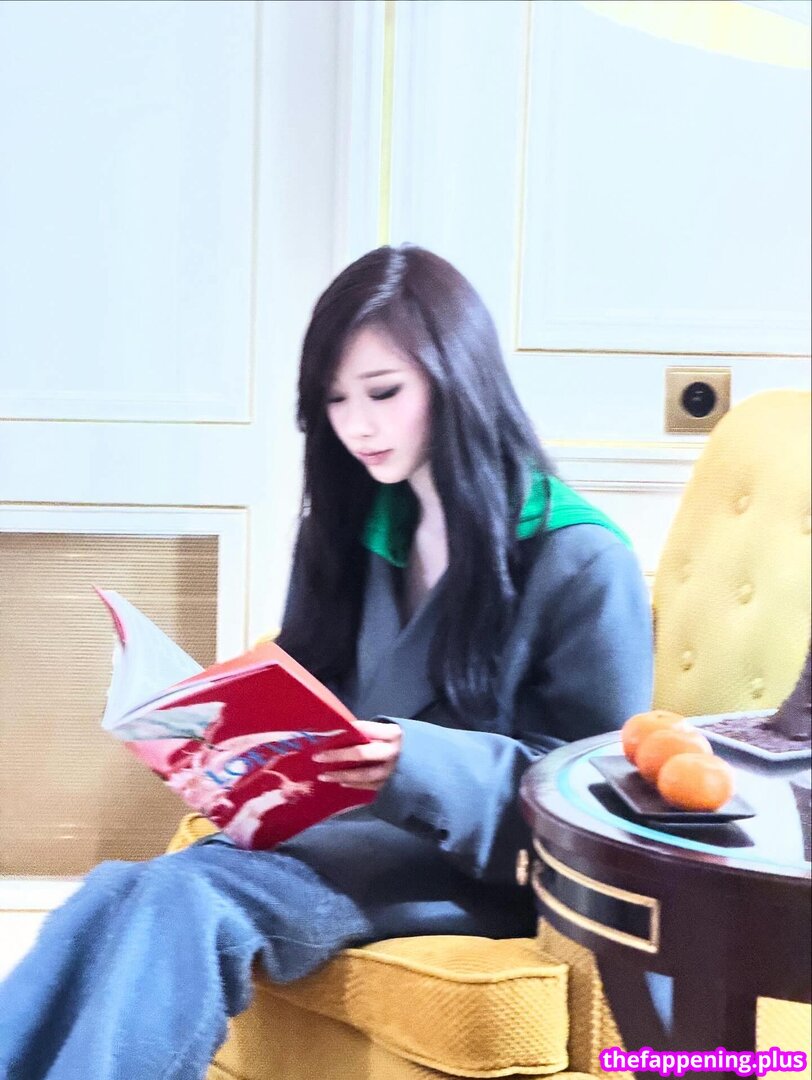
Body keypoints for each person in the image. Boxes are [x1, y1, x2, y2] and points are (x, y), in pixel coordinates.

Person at [0, 244, 653, 1079]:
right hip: (330, 838)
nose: (358, 426)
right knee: (113, 892)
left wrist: (416, 762)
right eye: (336, 400)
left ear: (459, 378)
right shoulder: (357, 527)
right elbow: (308, 692)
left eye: (383, 392)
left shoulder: (581, 559)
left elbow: (592, 797)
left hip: (467, 870)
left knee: (185, 899)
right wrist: (214, 742)